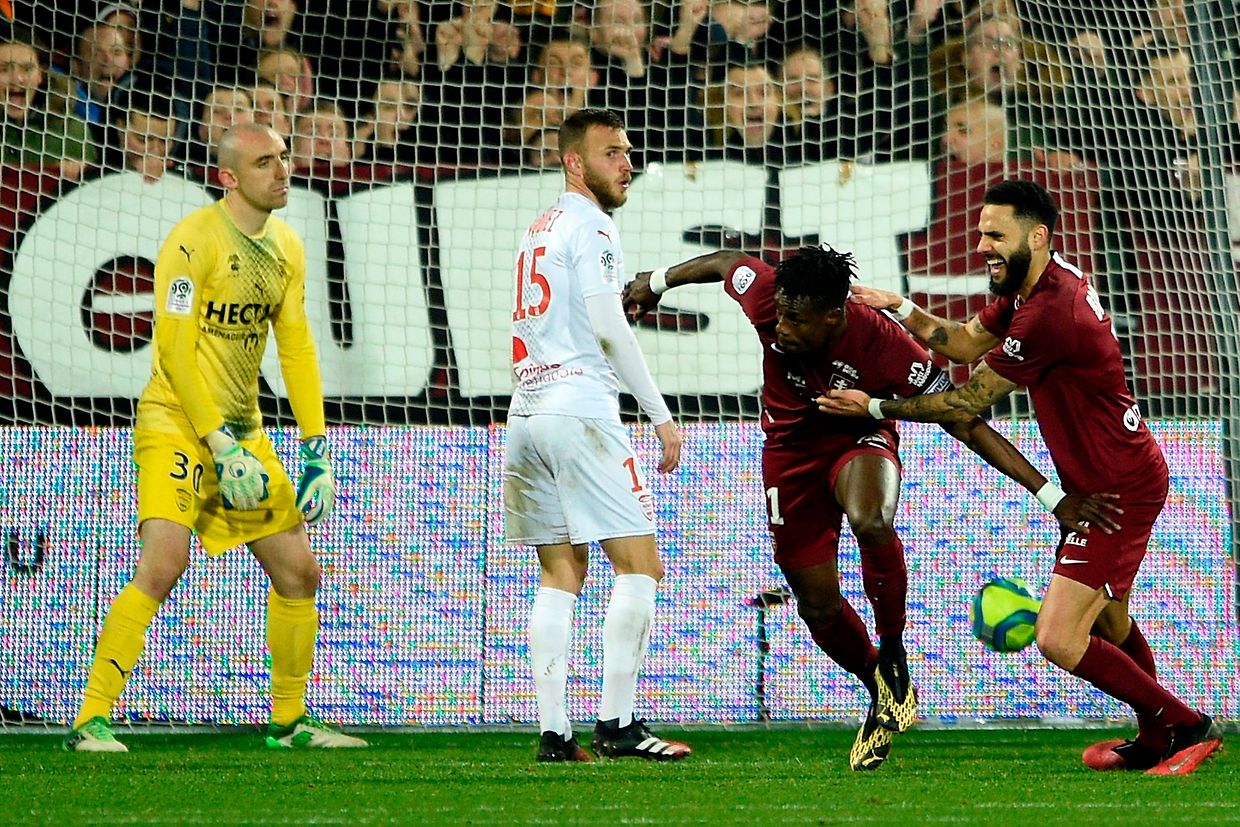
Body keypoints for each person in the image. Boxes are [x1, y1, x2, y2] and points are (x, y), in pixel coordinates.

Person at [623, 243, 1118, 770]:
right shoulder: (770, 297)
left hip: (858, 438)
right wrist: (656, 282)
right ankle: (881, 686)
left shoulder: (887, 347)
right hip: (788, 454)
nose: (781, 329)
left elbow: (965, 420)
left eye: (796, 320)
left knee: (871, 517)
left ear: (835, 315)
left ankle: (895, 650)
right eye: (780, 315)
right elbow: (725, 262)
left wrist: (1050, 495)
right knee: (816, 604)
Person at [818, 179, 1223, 775]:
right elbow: (960, 342)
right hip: (1108, 478)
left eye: (995, 235)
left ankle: (1186, 725)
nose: (982, 245)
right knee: (1108, 620)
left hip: (1114, 493)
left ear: (1037, 236)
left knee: (1058, 636)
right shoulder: (1034, 284)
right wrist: (899, 306)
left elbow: (964, 403)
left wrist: (875, 407)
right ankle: (1156, 731)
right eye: (981, 232)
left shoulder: (1048, 314)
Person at [64, 122, 366, 754]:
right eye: (265, 163)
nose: (282, 171)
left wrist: (315, 446)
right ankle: (89, 719)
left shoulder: (285, 245)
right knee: (164, 564)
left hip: (244, 432)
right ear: (229, 177)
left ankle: (288, 723)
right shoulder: (191, 242)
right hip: (178, 422)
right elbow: (171, 349)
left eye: (284, 158)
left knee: (299, 572)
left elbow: (297, 346)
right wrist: (217, 443)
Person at [504, 108, 690, 764]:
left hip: (525, 413)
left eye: (629, 151)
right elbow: (610, 329)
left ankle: (555, 732)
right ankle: (616, 722)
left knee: (561, 570)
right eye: (612, 152)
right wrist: (660, 414)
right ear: (575, 163)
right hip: (580, 410)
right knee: (640, 566)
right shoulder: (593, 224)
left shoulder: (540, 227)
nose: (627, 163)